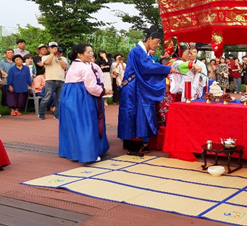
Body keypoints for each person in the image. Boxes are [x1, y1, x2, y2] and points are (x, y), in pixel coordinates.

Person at [117, 25, 175, 156]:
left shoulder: (145, 53)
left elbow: (149, 67)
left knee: (138, 113)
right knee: (133, 113)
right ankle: (134, 144)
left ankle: (138, 142)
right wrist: (166, 69)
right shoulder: (137, 51)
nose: (157, 45)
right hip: (132, 87)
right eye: (156, 42)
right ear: (149, 39)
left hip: (138, 86)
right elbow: (146, 67)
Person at [59, 43, 112, 163]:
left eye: (92, 51)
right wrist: (104, 91)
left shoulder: (74, 65)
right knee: (86, 124)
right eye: (88, 52)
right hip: (82, 97)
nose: (91, 54)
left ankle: (73, 152)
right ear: (80, 54)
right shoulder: (86, 68)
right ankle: (88, 154)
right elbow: (92, 87)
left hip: (69, 96)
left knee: (73, 125)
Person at [38, 42, 68, 120]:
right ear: (49, 49)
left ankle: (57, 114)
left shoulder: (63, 58)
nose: (54, 49)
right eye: (52, 47)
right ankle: (41, 114)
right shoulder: (45, 57)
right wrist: (52, 53)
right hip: (50, 80)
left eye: (55, 47)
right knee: (47, 97)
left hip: (61, 81)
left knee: (60, 99)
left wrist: (58, 57)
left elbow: (64, 66)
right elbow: (47, 62)